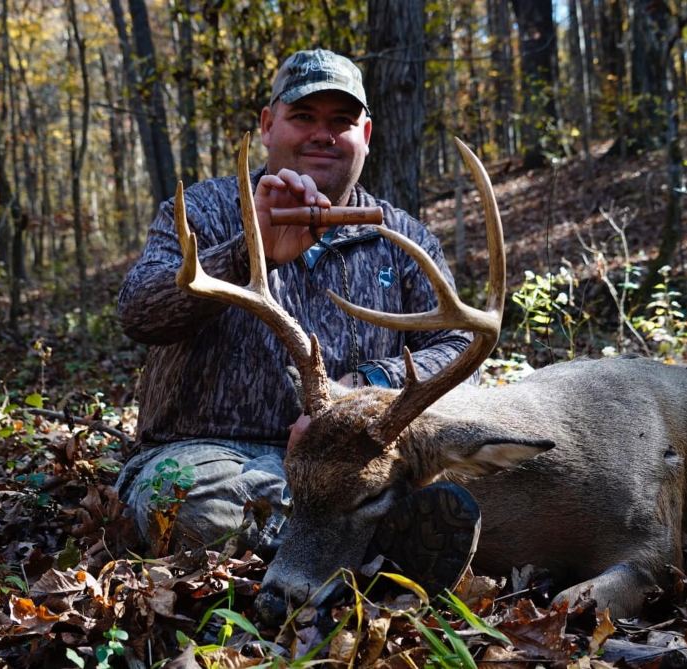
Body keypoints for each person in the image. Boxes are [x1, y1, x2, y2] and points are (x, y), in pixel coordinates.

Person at [115, 49, 480, 586]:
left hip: (352, 464)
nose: (323, 135)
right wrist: (246, 249)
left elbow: (457, 346)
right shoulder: (205, 210)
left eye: (341, 122)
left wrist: (363, 392)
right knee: (192, 506)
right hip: (211, 454)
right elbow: (139, 313)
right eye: (304, 117)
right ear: (268, 125)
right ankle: (373, 549)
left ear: (367, 134)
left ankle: (332, 541)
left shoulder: (401, 236)